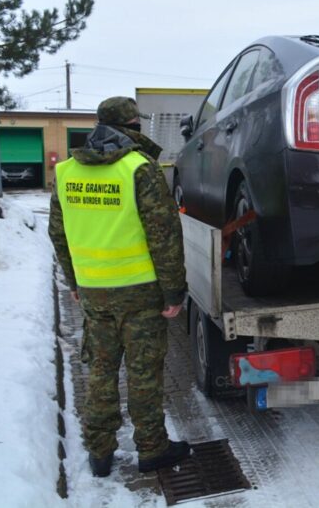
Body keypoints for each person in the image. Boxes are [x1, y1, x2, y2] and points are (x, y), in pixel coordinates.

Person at [48, 96, 189, 477]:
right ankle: (152, 449)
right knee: (143, 374)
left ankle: (99, 452)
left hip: (94, 293)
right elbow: (164, 236)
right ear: (132, 127)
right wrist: (174, 291)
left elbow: (58, 233)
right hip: (141, 292)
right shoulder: (138, 168)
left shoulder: (66, 172)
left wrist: (74, 280)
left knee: (101, 371)